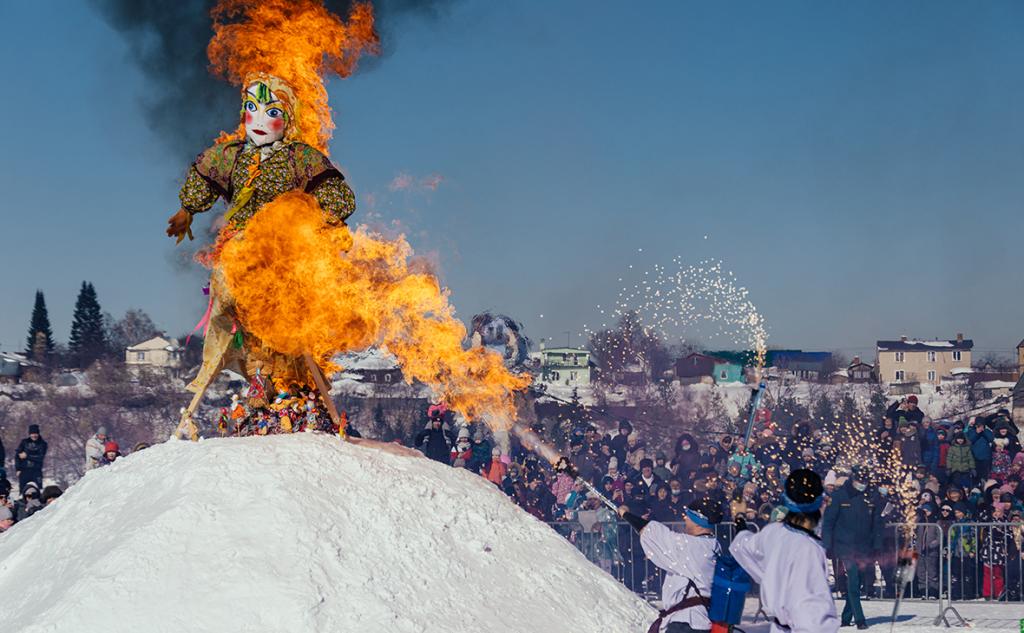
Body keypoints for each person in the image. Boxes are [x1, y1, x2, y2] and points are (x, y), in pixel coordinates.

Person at [731, 468, 839, 633]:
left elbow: (744, 545)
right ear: (819, 504)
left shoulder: (773, 532)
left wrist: (739, 518)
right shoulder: (808, 549)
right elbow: (813, 615)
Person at [618, 496, 722, 632]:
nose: (685, 519)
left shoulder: (692, 546)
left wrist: (625, 514)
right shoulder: (713, 545)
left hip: (687, 622)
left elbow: (653, 533)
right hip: (701, 620)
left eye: (689, 517)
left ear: (698, 522)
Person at [822, 466, 883, 629]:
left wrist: (877, 545)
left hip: (864, 546)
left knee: (858, 583)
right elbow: (828, 522)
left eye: (865, 482)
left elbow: (877, 523)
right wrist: (827, 545)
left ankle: (846, 617)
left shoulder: (870, 497)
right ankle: (860, 618)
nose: (862, 484)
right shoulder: (839, 496)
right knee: (854, 579)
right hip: (845, 546)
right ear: (853, 479)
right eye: (859, 481)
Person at [14, 424, 47, 491]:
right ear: (29, 434)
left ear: (38, 433)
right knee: (23, 491)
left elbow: (40, 458)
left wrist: (27, 456)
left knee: (38, 490)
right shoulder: (24, 442)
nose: (34, 435)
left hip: (36, 470)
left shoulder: (43, 444)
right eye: (32, 433)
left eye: (35, 433)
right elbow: (17, 456)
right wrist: (18, 469)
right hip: (24, 470)